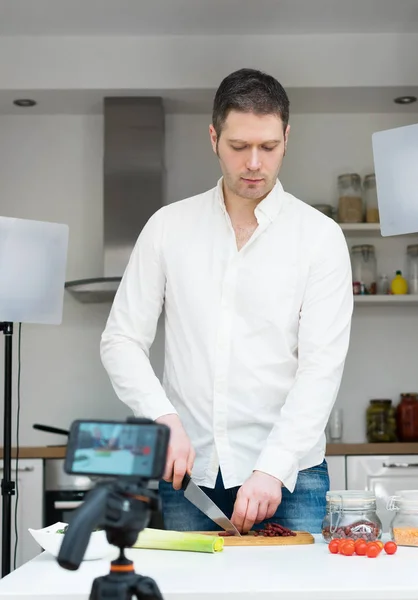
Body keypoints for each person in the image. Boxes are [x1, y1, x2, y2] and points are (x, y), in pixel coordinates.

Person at [100, 68, 353, 534]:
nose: (254, 163)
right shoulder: (167, 228)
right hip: (190, 477)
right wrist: (163, 417)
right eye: (239, 147)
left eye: (269, 147)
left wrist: (273, 466)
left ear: (286, 137)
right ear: (213, 137)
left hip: (292, 479)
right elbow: (120, 340)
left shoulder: (320, 238)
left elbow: (321, 367)